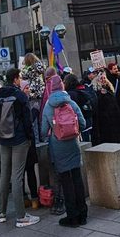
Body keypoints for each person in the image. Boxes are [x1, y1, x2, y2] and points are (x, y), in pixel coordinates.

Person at [0, 68, 39, 228]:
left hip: (3, 138)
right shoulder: (19, 95)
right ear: (16, 79)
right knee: (17, 177)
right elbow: (27, 119)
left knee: (4, 175)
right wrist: (30, 137)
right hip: (19, 139)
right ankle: (21, 216)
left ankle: (1, 212)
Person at [41, 75, 88, 227]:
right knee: (77, 179)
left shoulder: (48, 106)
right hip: (73, 144)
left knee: (66, 182)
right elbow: (83, 122)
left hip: (58, 146)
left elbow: (43, 131)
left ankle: (72, 217)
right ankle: (83, 214)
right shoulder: (71, 102)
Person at [92, 72, 120, 145]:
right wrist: (101, 95)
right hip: (104, 119)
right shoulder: (96, 91)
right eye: (101, 79)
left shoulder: (110, 89)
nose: (103, 80)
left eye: (104, 78)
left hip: (114, 117)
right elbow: (97, 105)